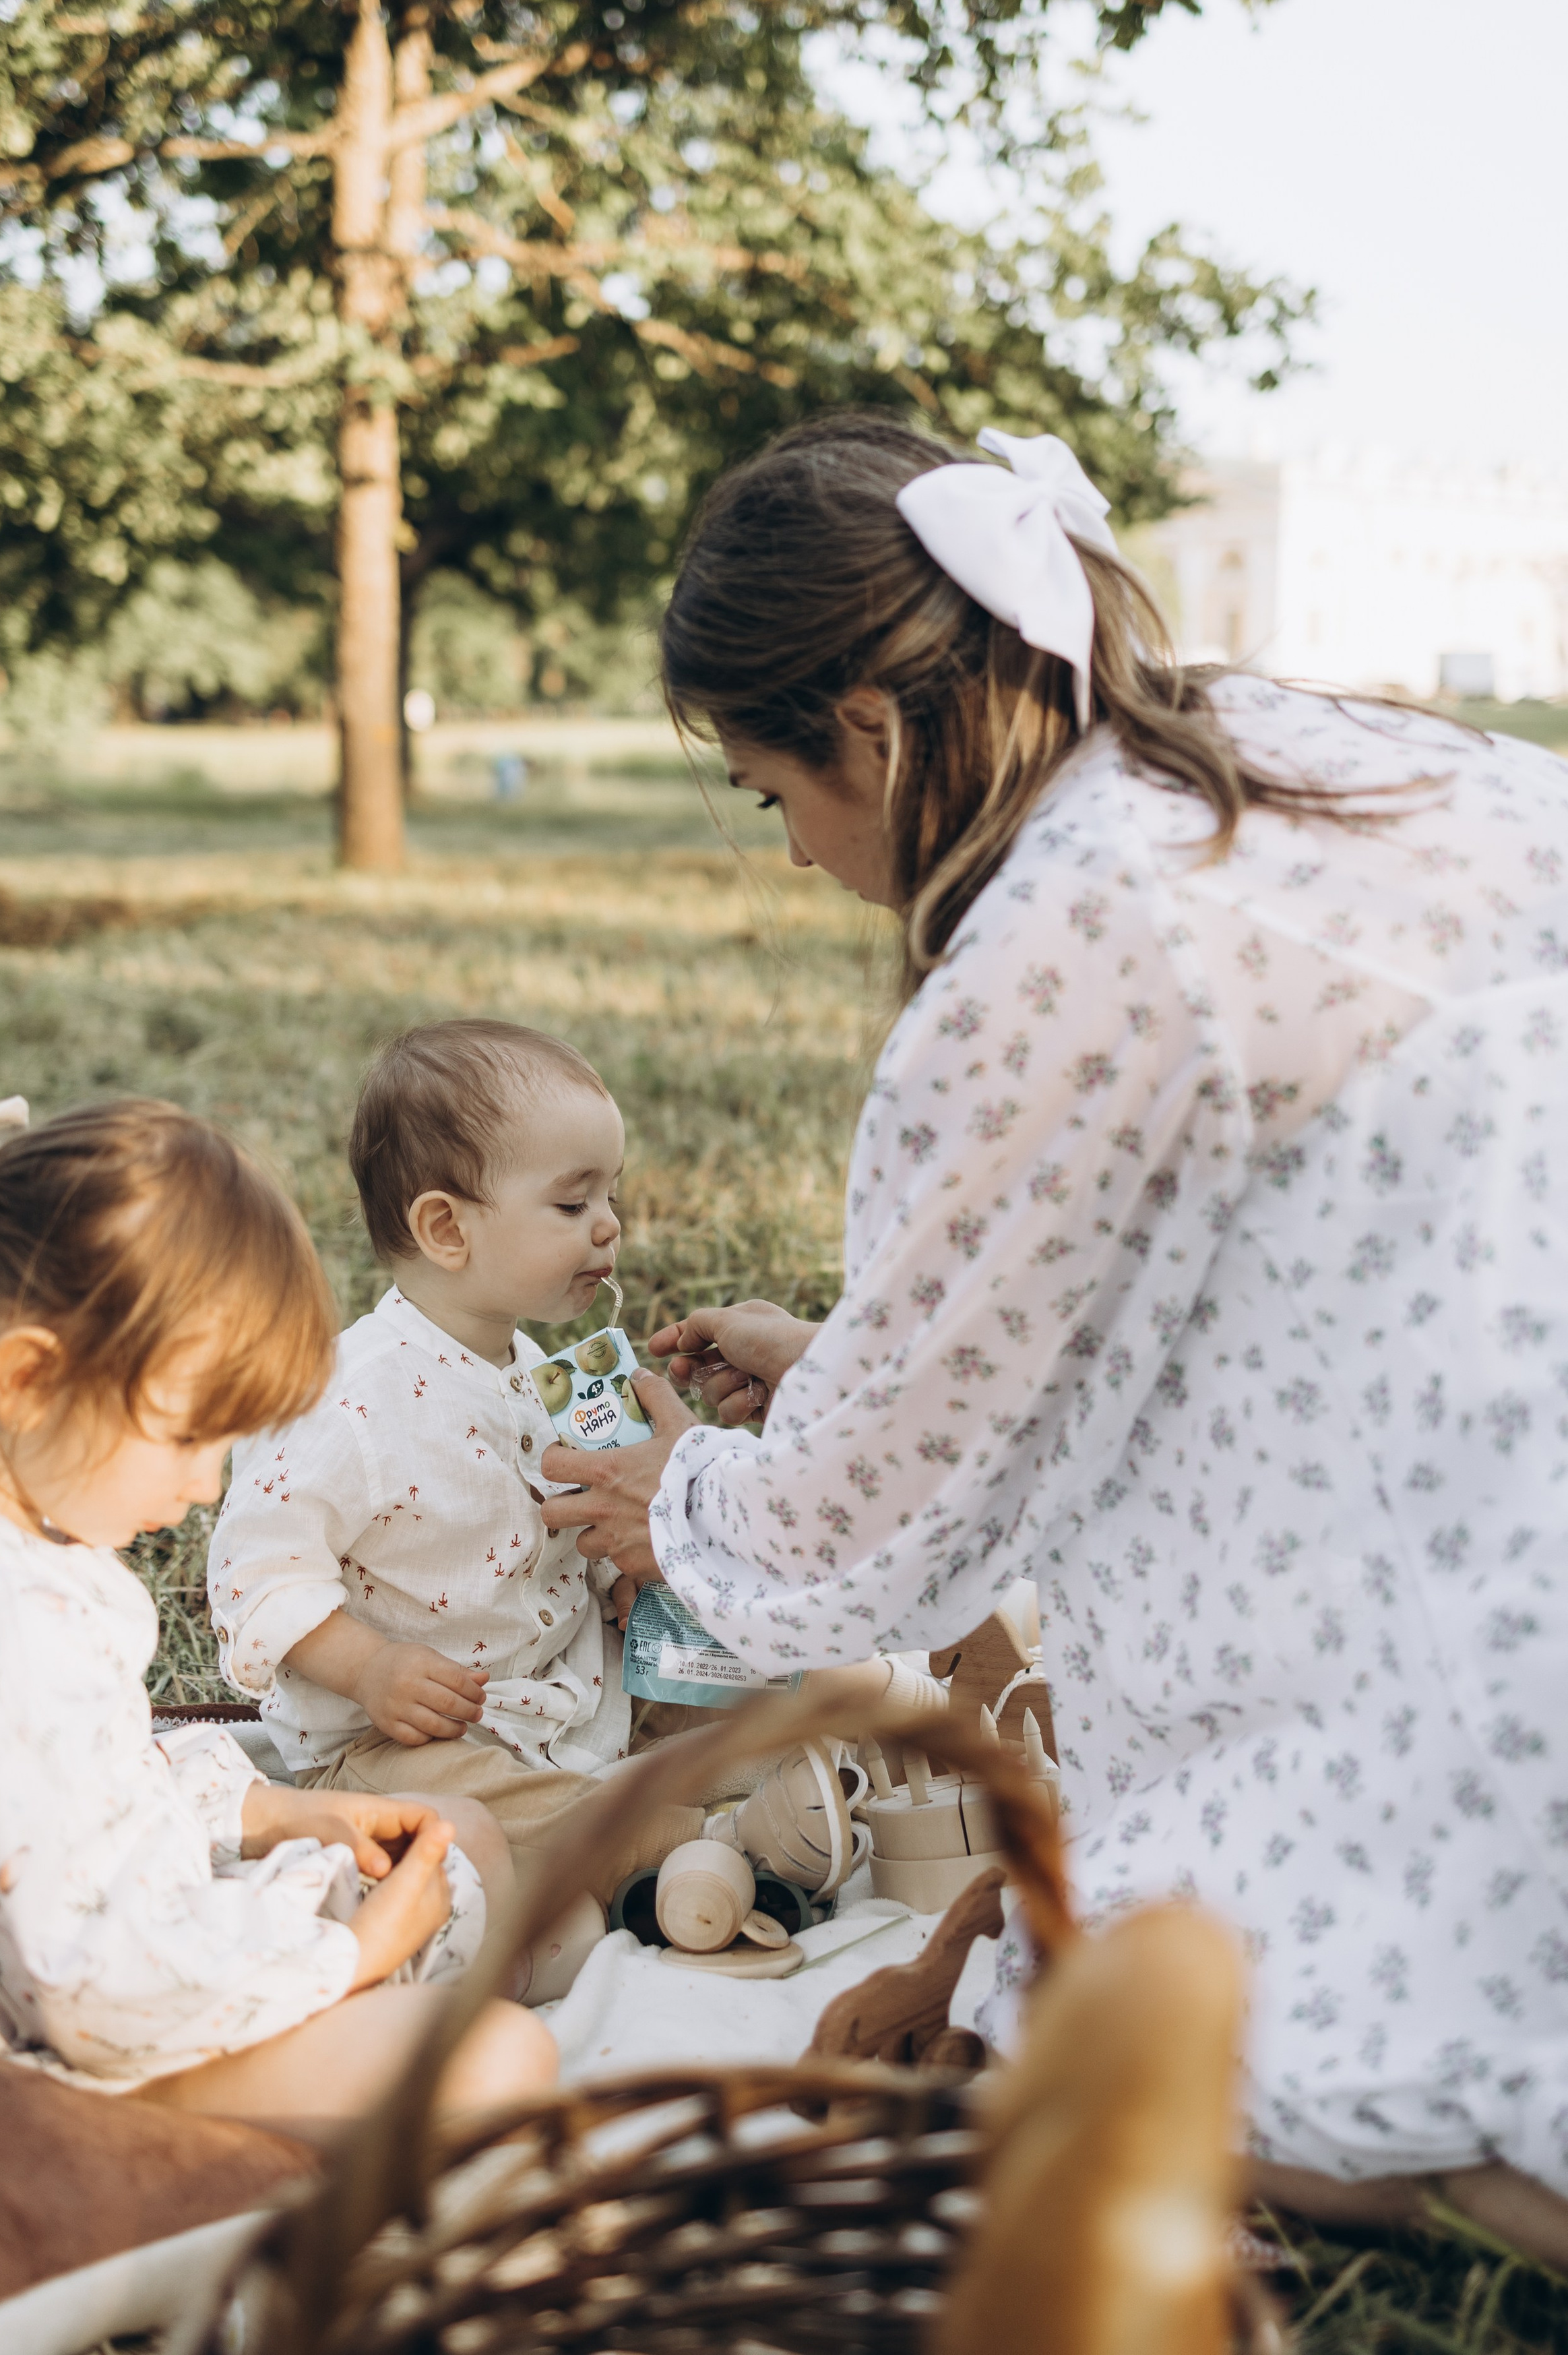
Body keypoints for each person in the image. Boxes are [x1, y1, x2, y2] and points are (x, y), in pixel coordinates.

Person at [536, 410, 1568, 2263]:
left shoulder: (1060, 941)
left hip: (1496, 1632)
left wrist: (693, 1497)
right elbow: (1177, 1292)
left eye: (779, 798)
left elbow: (861, 1525)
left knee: (1184, 2048)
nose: (796, 862)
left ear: (867, 727)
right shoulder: (1303, 753)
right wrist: (850, 1356)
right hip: (1498, 1444)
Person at [0, 1091, 553, 2144]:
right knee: (503, 2062)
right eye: (192, 1439)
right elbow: (94, 1986)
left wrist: (264, 1814)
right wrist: (348, 1959)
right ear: (30, 1378)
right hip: (34, 2066)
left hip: (87, 1969)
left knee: (471, 1848)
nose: (213, 1483)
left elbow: (79, 1781)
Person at [210, 1018, 933, 1910]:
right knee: (478, 1802)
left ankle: (836, 1748)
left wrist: (611, 1584)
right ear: (445, 1228)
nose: (610, 1227)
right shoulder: (349, 1399)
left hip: (570, 1694)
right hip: (400, 1743)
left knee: (731, 1681)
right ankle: (708, 1848)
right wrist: (366, 1669)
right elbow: (253, 1569)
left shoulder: (529, 1374)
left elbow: (533, 1537)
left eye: (610, 1198)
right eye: (571, 1204)